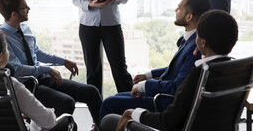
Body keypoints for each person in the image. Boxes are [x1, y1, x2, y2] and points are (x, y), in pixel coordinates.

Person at [101, 10, 238, 131]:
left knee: (108, 120)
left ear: (202, 43)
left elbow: (168, 122)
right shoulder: (233, 69)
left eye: (197, 35)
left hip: (171, 123)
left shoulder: (198, 74)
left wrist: (132, 113)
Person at [0, 0, 102, 131]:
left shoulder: (25, 28)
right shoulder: (1, 37)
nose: (29, 9)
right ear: (14, 14)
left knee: (92, 92)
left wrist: (64, 61)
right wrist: (48, 69)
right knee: (67, 103)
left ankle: (101, 128)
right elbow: (18, 69)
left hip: (43, 77)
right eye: (24, 7)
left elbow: (38, 53)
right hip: (28, 85)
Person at [99, 0, 211, 123]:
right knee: (118, 97)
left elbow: (177, 87)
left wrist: (145, 85)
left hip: (163, 102)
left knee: (109, 103)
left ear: (189, 17)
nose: (175, 10)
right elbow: (175, 70)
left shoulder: (195, 48)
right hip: (162, 95)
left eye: (179, 8)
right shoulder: (192, 40)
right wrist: (149, 75)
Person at [0, 28, 75, 131]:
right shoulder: (10, 84)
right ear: (0, 56)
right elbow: (48, 121)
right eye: (6, 49)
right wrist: (47, 112)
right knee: (66, 121)